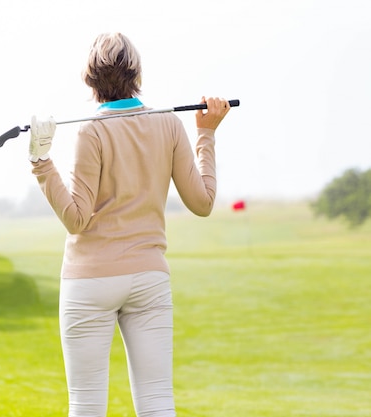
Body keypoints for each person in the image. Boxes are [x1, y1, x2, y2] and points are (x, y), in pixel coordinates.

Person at [28, 32, 230, 417]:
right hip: (149, 279)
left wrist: (41, 161)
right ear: (136, 73)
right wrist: (206, 133)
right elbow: (202, 203)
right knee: (157, 402)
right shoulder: (169, 125)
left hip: (90, 281)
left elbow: (76, 219)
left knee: (86, 405)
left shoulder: (91, 130)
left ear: (90, 80)